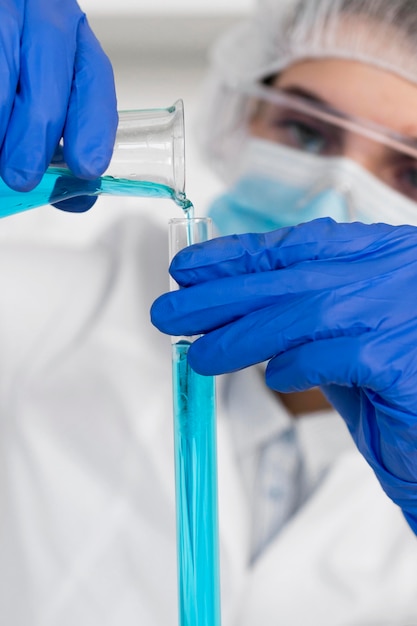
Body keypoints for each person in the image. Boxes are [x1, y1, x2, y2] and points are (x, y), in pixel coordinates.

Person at [1, 1, 417, 626]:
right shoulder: (69, 302)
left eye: (410, 171)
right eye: (307, 133)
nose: (333, 194)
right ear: (240, 118)